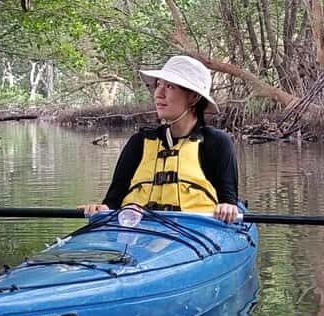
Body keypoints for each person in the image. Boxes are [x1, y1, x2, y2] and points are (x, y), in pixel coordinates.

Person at [79, 55, 242, 224]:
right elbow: (112, 203)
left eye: (170, 86)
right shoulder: (138, 143)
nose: (158, 94)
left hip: (197, 232)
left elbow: (228, 201)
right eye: (158, 85)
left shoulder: (217, 142)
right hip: (140, 234)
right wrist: (101, 209)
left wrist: (228, 207)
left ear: (193, 97)